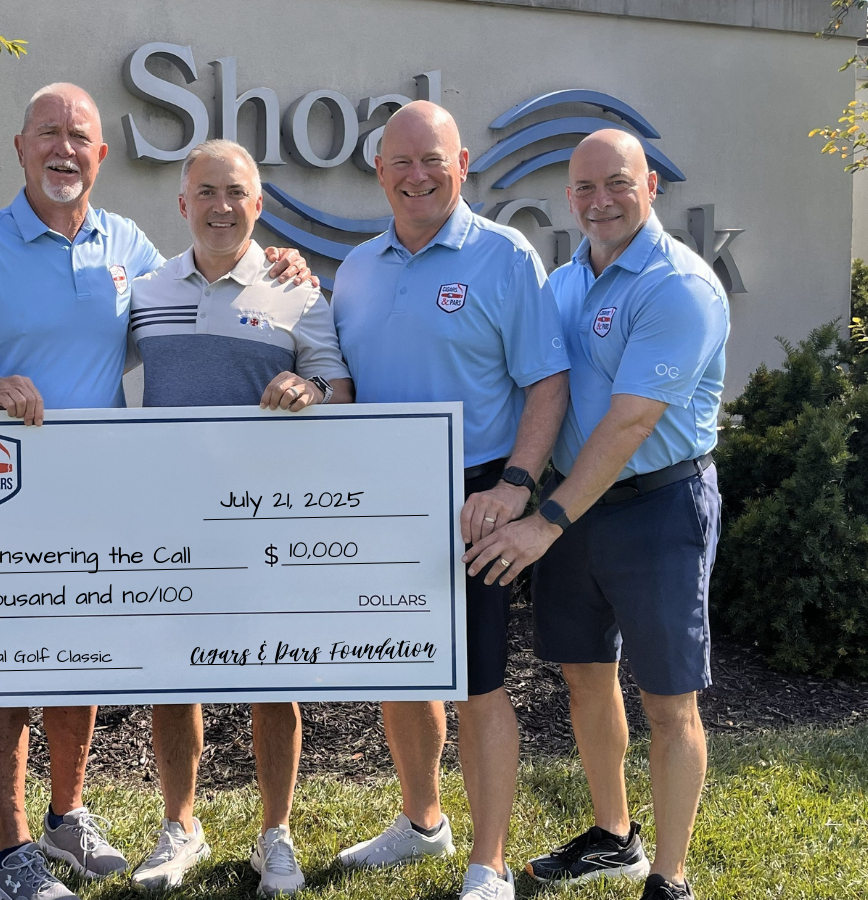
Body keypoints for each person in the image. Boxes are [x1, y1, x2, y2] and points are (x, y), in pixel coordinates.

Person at [0, 83, 312, 900]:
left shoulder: (129, 248)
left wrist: (278, 265)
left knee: (77, 660)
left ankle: (67, 816)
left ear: (100, 157)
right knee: (2, 667)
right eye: (47, 132)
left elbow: (202, 291)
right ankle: (12, 849)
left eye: (78, 137)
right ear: (21, 148)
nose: (63, 149)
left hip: (99, 496)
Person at [465, 129, 728, 900]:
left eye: (616, 183)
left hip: (657, 506)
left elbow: (628, 425)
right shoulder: (566, 282)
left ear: (650, 184)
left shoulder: (679, 286)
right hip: (574, 508)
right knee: (585, 678)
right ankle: (616, 836)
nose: (600, 200)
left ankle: (670, 877)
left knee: (668, 700)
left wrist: (543, 521)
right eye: (584, 188)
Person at [329, 101, 569, 900]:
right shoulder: (358, 268)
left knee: (480, 680)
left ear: (462, 162)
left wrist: (515, 486)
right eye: (399, 162)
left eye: (432, 159)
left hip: (477, 495)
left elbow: (547, 382)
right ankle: (423, 823)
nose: (416, 175)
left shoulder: (505, 257)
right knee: (402, 670)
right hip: (381, 495)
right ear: (378, 172)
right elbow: (344, 386)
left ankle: (488, 861)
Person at [124, 138, 354, 897]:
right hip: (168, 511)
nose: (222, 206)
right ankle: (180, 824)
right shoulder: (146, 289)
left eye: (238, 193)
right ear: (183, 204)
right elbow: (88, 366)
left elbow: (339, 386)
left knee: (273, 678)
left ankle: (275, 834)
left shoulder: (298, 292)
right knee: (172, 678)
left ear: (258, 205)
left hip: (266, 519)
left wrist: (310, 393)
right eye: (207, 193)